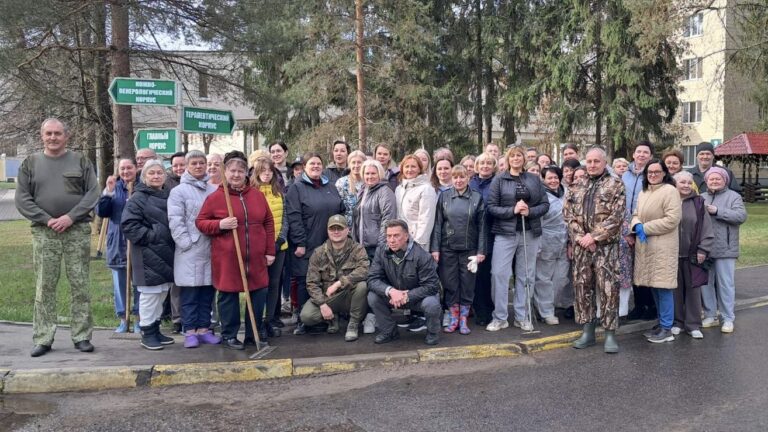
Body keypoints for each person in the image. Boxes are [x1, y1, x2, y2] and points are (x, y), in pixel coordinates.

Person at [16, 118, 99, 357]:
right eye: (49, 133)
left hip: (76, 230)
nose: (53, 137)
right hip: (45, 232)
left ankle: (82, 336)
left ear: (66, 136)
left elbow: (92, 193)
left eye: (58, 133)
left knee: (80, 284)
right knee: (45, 286)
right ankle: (43, 337)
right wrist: (47, 219)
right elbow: (22, 198)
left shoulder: (81, 161)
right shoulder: (30, 163)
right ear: (42, 136)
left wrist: (70, 217)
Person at [196, 151, 276, 350]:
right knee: (228, 296)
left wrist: (270, 251)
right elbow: (201, 222)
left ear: (246, 174)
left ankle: (253, 334)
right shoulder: (216, 197)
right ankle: (229, 335)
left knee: (258, 294)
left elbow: (268, 222)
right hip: (228, 257)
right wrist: (220, 224)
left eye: (240, 171)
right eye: (232, 171)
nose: (236, 175)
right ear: (225, 172)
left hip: (256, 257)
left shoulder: (257, 195)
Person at [563, 147, 626, 353]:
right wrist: (582, 238)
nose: (592, 165)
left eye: (596, 161)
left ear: (604, 162)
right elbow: (568, 215)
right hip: (582, 247)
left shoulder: (615, 184)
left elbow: (617, 217)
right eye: (589, 161)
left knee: (609, 290)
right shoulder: (576, 185)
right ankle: (587, 332)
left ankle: (610, 334)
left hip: (606, 248)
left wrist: (594, 237)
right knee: (583, 288)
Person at [486, 146, 549, 332]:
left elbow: (545, 204)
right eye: (512, 156)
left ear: (524, 158)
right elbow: (491, 207)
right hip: (505, 233)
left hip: (529, 232)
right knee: (499, 274)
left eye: (519, 155)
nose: (516, 158)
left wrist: (530, 211)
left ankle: (522, 316)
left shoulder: (533, 179)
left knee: (526, 275)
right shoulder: (499, 180)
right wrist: (512, 210)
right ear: (507, 159)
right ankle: (500, 317)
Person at [285, 152, 345, 335]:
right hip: (307, 243)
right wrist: (300, 242)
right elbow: (294, 217)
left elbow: (341, 210)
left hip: (330, 242)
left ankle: (327, 317)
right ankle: (304, 320)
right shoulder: (297, 188)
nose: (316, 166)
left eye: (319, 163)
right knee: (305, 280)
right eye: (312, 164)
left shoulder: (331, 187)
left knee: (327, 280)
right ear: (304, 167)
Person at [168, 150, 221, 348]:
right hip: (189, 250)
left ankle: (204, 329)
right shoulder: (178, 192)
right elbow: (175, 220)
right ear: (187, 166)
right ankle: (189, 331)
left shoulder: (213, 190)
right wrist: (186, 243)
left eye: (201, 163)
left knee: (207, 292)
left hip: (211, 248)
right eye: (194, 163)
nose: (198, 166)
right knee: (190, 293)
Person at [121, 159, 176, 350]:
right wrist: (153, 236)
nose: (156, 176)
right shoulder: (138, 198)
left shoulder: (169, 195)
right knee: (150, 295)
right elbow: (129, 225)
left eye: (159, 173)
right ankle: (147, 332)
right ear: (144, 176)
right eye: (151, 173)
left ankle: (155, 328)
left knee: (162, 293)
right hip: (147, 254)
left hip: (167, 252)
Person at [430, 165, 487, 334]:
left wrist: (481, 251)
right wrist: (435, 248)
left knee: (468, 284)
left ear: (468, 178)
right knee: (450, 283)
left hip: (469, 249)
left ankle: (463, 320)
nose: (459, 180)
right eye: (455, 177)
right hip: (448, 248)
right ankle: (454, 318)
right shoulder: (444, 196)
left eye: (462, 177)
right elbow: (438, 224)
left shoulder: (477, 197)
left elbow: (482, 227)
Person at [631, 159, 682, 343]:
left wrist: (645, 228)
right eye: (649, 172)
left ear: (664, 173)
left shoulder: (670, 191)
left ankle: (667, 327)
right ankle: (661, 323)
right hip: (647, 246)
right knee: (654, 285)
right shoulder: (644, 191)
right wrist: (636, 225)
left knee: (663, 287)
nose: (652, 175)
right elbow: (635, 214)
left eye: (656, 172)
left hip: (663, 247)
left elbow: (672, 219)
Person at [368, 220, 441, 345]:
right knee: (372, 297)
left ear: (406, 236)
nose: (391, 240)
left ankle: (432, 333)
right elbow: (372, 279)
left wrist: (407, 296)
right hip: (393, 297)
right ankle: (389, 331)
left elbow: (432, 286)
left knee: (431, 303)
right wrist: (391, 291)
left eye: (396, 235)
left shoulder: (422, 256)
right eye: (388, 236)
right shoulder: (381, 251)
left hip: (417, 298)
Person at [300, 215, 370, 342]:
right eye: (332, 229)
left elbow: (364, 270)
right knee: (307, 316)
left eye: (340, 228)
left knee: (362, 286)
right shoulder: (318, 253)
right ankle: (332, 319)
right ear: (327, 231)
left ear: (347, 230)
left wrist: (339, 283)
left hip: (349, 295)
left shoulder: (357, 249)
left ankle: (353, 323)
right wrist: (322, 304)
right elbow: (312, 283)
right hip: (328, 297)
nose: (336, 232)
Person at [700, 166, 747, 333]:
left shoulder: (733, 197)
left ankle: (728, 318)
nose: (714, 181)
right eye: (711, 179)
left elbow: (741, 216)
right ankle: (710, 315)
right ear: (706, 181)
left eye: (717, 178)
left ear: (725, 180)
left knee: (725, 284)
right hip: (705, 248)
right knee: (705, 284)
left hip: (725, 248)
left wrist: (718, 211)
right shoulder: (701, 197)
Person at [95, 158, 139, 333]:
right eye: (122, 168)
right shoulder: (114, 188)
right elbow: (102, 212)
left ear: (136, 168)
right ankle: (123, 319)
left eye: (129, 168)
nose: (126, 171)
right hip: (117, 242)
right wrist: (108, 192)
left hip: (138, 242)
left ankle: (139, 319)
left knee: (140, 284)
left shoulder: (142, 186)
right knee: (119, 284)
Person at [672, 171, 714, 339]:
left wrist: (703, 249)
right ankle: (678, 323)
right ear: (675, 184)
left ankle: (693, 324)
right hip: (671, 254)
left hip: (693, 254)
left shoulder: (698, 202)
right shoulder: (668, 200)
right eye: (682, 182)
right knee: (674, 291)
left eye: (689, 183)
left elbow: (706, 227)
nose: (686, 186)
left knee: (694, 290)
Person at [250, 157, 289, 336]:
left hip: (279, 247)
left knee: (274, 284)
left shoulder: (279, 192)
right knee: (260, 286)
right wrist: (264, 245)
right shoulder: (251, 193)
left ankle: (270, 319)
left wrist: (280, 240)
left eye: (269, 170)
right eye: (262, 170)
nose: (266, 174)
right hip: (259, 248)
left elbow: (285, 218)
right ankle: (257, 322)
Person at [622, 141, 655, 321]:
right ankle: (639, 305)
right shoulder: (624, 175)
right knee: (633, 269)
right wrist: (626, 230)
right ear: (633, 154)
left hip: (644, 227)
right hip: (626, 228)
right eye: (639, 152)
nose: (641, 155)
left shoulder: (652, 174)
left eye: (645, 152)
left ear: (650, 156)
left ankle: (650, 305)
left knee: (645, 268)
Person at [534, 165, 568, 325]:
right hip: (546, 239)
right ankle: (546, 311)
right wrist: (538, 243)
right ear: (543, 179)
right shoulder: (540, 196)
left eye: (556, 177)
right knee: (544, 278)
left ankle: (550, 305)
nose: (553, 181)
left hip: (565, 240)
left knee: (561, 278)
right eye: (549, 178)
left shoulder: (566, 192)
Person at [469, 152, 497, 326]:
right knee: (476, 276)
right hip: (472, 235)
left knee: (488, 275)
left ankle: (490, 309)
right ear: (476, 166)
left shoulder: (497, 183)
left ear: (494, 166)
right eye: (482, 163)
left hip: (491, 234)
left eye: (489, 163)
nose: (485, 166)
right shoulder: (470, 183)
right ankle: (479, 310)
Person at [353, 159, 397, 260]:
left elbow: (388, 220)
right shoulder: (363, 190)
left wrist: (381, 247)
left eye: (373, 173)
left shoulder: (385, 191)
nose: (370, 176)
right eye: (367, 173)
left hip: (376, 247)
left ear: (379, 174)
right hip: (362, 246)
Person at [163, 151, 186, 333]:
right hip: (172, 237)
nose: (178, 168)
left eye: (182, 164)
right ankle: (177, 318)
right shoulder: (165, 183)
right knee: (176, 281)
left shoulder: (196, 182)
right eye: (175, 165)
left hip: (194, 237)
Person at [395, 154, 437, 251]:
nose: (409, 170)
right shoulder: (399, 189)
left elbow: (426, 219)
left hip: (416, 241)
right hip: (400, 239)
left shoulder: (426, 189)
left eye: (413, 166)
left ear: (419, 169)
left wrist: (418, 244)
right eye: (407, 166)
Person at [335, 150, 366, 227]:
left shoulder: (369, 182)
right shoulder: (341, 183)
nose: (356, 165)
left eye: (359, 162)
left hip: (366, 226)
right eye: (353, 162)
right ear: (349, 164)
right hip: (347, 227)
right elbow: (336, 207)